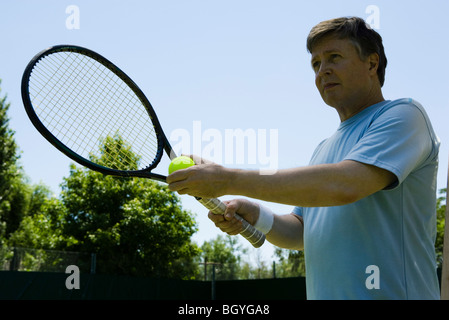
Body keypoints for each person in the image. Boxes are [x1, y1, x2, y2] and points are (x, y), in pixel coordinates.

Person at [167, 17, 440, 300]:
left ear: (372, 64)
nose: (323, 71)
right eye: (316, 64)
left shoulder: (404, 115)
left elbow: (347, 185)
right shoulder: (323, 149)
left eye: (334, 57)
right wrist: (257, 214)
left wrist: (227, 179)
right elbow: (300, 233)